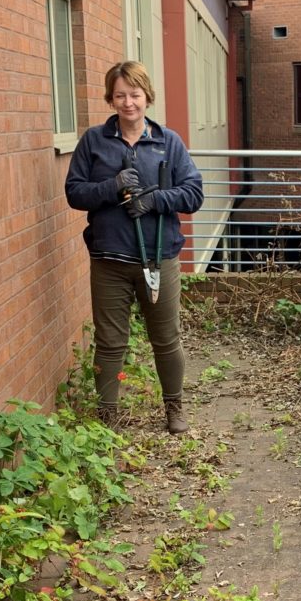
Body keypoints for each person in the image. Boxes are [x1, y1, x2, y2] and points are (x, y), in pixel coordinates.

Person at [65, 62, 204, 434]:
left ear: (147, 96)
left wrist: (155, 199)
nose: (128, 102)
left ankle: (174, 408)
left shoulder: (167, 142)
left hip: (159, 258)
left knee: (166, 338)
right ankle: (107, 415)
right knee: (110, 342)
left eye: (135, 94)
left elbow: (193, 194)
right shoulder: (94, 141)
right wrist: (111, 187)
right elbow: (74, 192)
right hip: (109, 259)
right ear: (110, 98)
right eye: (120, 95)